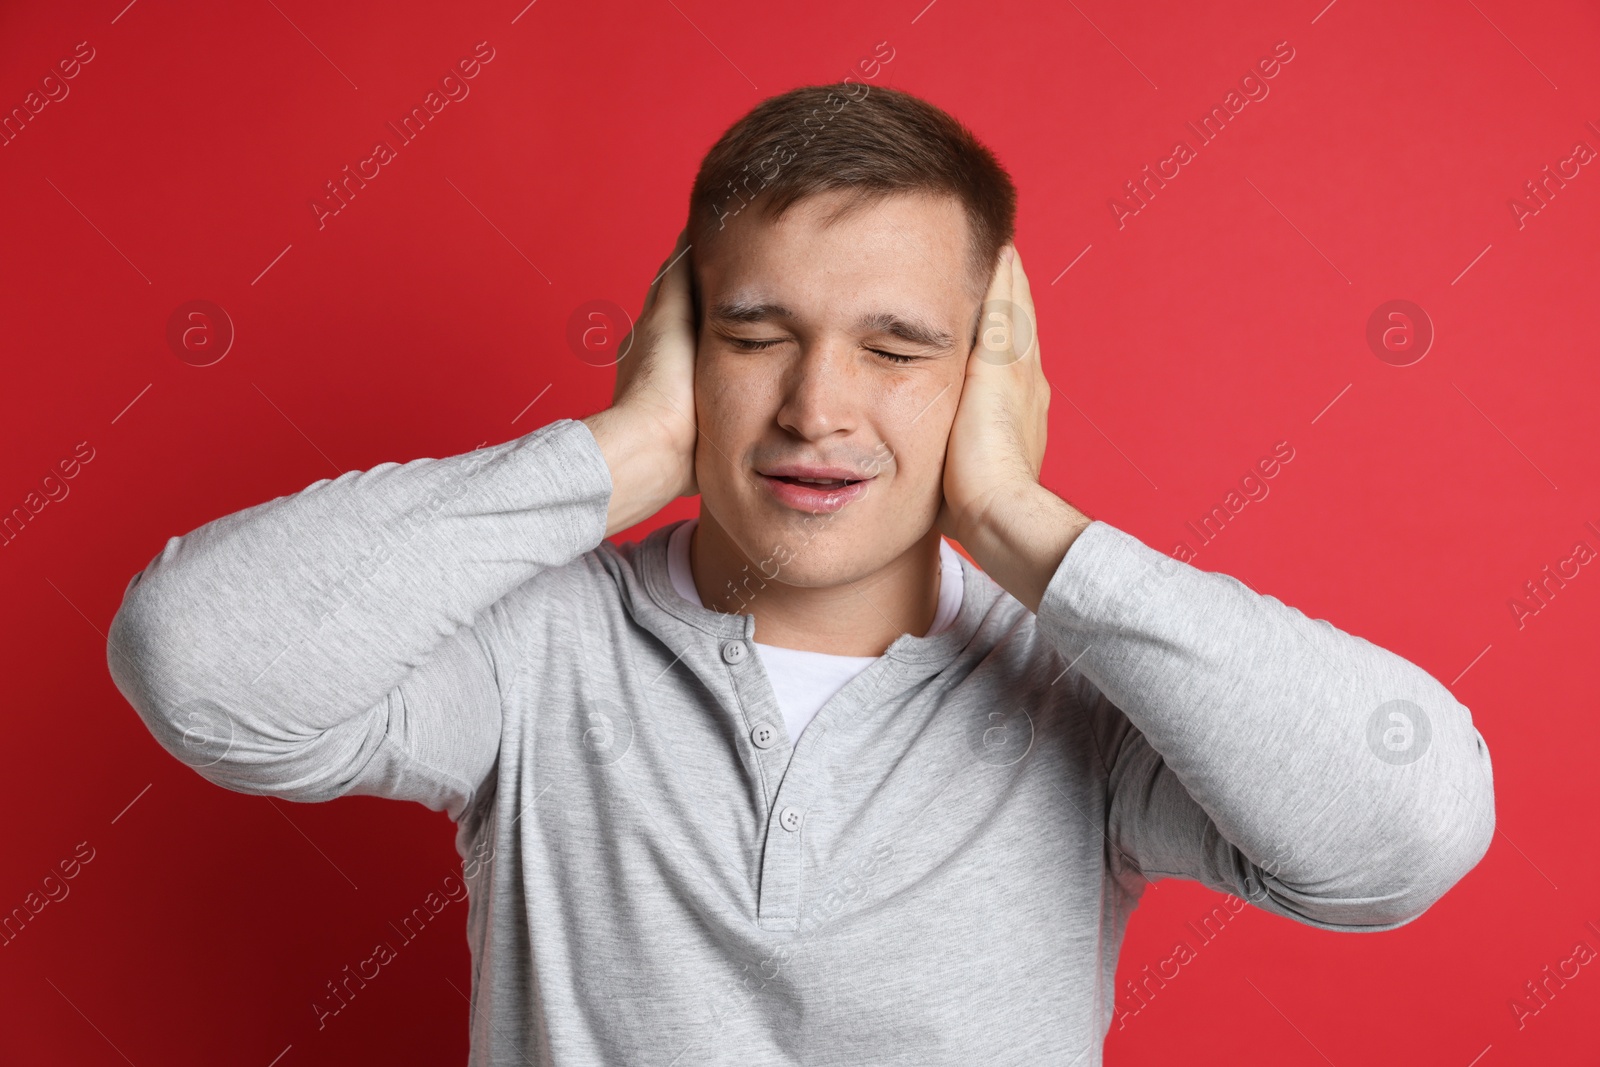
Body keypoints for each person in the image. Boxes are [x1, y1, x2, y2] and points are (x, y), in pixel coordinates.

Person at [107, 83, 1495, 1065]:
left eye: (897, 348)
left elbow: (1407, 835)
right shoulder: (533, 657)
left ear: (988, 377)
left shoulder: (1083, 688)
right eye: (758, 334)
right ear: (679, 345)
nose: (817, 405)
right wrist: (620, 449)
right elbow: (200, 667)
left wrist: (1015, 515)